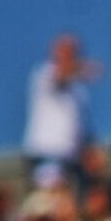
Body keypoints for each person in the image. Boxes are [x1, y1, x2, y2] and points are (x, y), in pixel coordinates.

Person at [23, 34, 98, 179]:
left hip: (72, 159)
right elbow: (60, 77)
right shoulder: (43, 74)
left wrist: (90, 152)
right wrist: (82, 68)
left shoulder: (79, 90)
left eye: (73, 52)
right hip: (47, 153)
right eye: (65, 52)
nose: (69, 57)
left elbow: (84, 127)